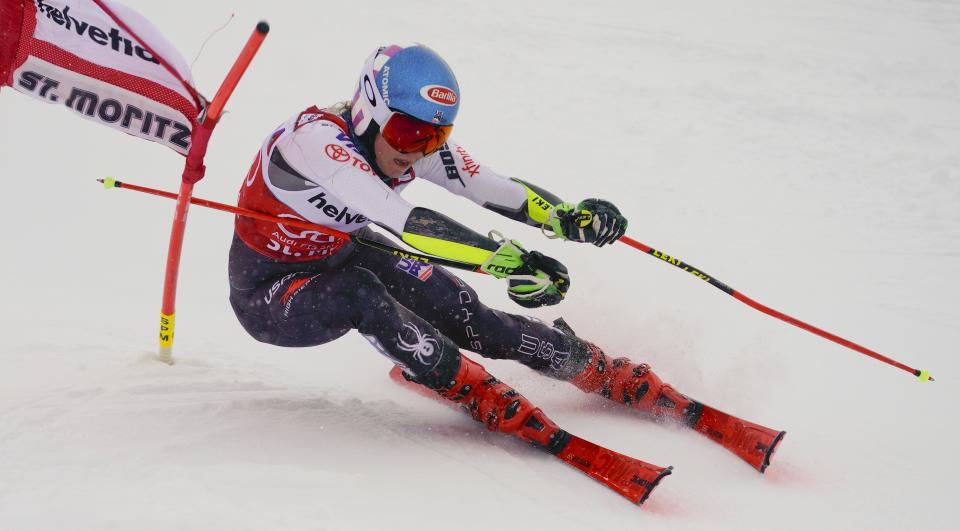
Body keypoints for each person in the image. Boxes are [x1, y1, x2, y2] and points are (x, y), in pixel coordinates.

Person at [229, 43, 783, 473]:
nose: (418, 148)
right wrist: (508, 259)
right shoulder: (314, 144)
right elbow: (409, 223)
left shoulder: (410, 146)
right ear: (370, 110)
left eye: (435, 135)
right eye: (407, 131)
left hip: (344, 253)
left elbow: (492, 189)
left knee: (471, 315)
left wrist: (567, 218)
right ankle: (465, 383)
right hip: (271, 292)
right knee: (364, 296)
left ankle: (588, 364)